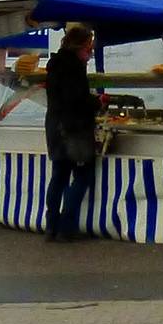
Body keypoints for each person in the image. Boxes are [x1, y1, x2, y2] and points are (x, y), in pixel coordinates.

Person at [42, 26, 101, 243]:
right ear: (80, 46)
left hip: (54, 127)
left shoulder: (54, 65)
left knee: (58, 176)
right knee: (82, 176)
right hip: (74, 129)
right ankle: (66, 226)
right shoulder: (73, 68)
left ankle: (51, 226)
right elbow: (77, 100)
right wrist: (97, 102)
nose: (91, 53)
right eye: (89, 48)